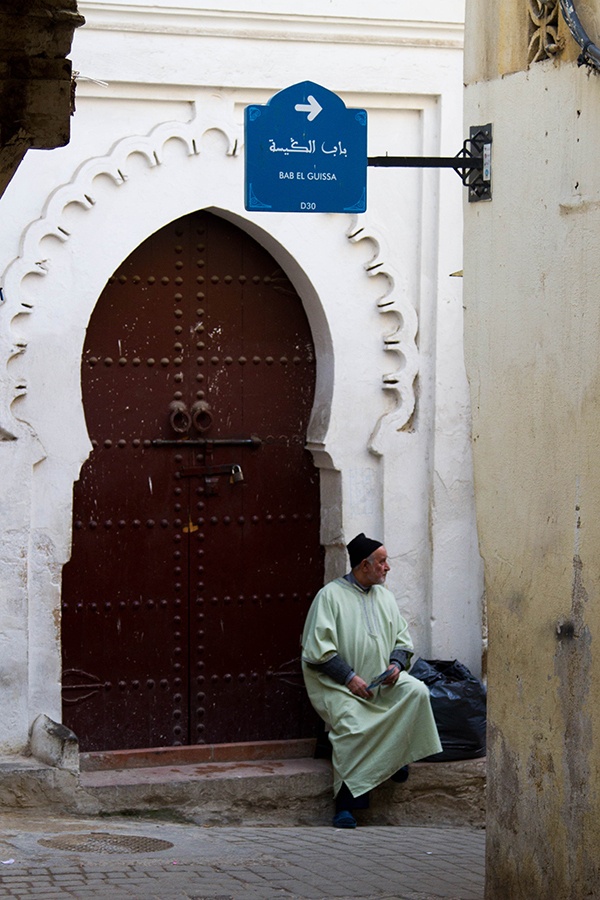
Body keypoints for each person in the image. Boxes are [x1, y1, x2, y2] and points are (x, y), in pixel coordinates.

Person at [301, 532, 442, 828]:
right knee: (353, 728)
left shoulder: (385, 597)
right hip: (341, 688)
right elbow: (317, 651)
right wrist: (350, 678)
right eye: (382, 562)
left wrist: (395, 665)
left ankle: (397, 758)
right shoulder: (330, 596)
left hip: (380, 684)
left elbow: (403, 642)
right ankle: (347, 806)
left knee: (416, 691)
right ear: (364, 565)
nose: (387, 567)